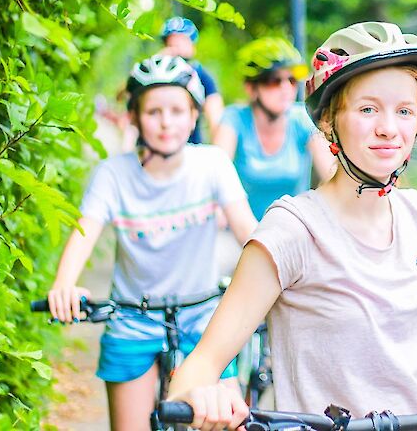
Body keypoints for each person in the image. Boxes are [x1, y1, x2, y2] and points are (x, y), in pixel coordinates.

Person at [169, 22, 417, 429]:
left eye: (404, 111)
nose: (389, 128)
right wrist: (200, 393)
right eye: (368, 109)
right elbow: (199, 367)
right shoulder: (293, 230)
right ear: (330, 121)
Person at [47, 54, 258, 431]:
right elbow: (84, 232)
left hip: (203, 316)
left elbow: (250, 236)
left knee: (230, 422)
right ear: (134, 116)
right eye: (153, 111)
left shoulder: (212, 164)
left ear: (194, 116)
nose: (166, 123)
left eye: (178, 110)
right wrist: (64, 284)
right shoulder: (113, 174)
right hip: (132, 318)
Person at [214, 36, 336, 220]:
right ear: (251, 88)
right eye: (273, 80)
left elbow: (331, 173)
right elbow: (216, 173)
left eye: (292, 80)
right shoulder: (234, 118)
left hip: (294, 229)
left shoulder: (302, 119)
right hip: (242, 230)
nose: (286, 87)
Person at [158, 16, 225, 143]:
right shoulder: (155, 71)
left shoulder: (201, 75)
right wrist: (156, 60)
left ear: (192, 46)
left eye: (182, 41)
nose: (175, 47)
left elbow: (215, 116)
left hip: (190, 147)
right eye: (171, 42)